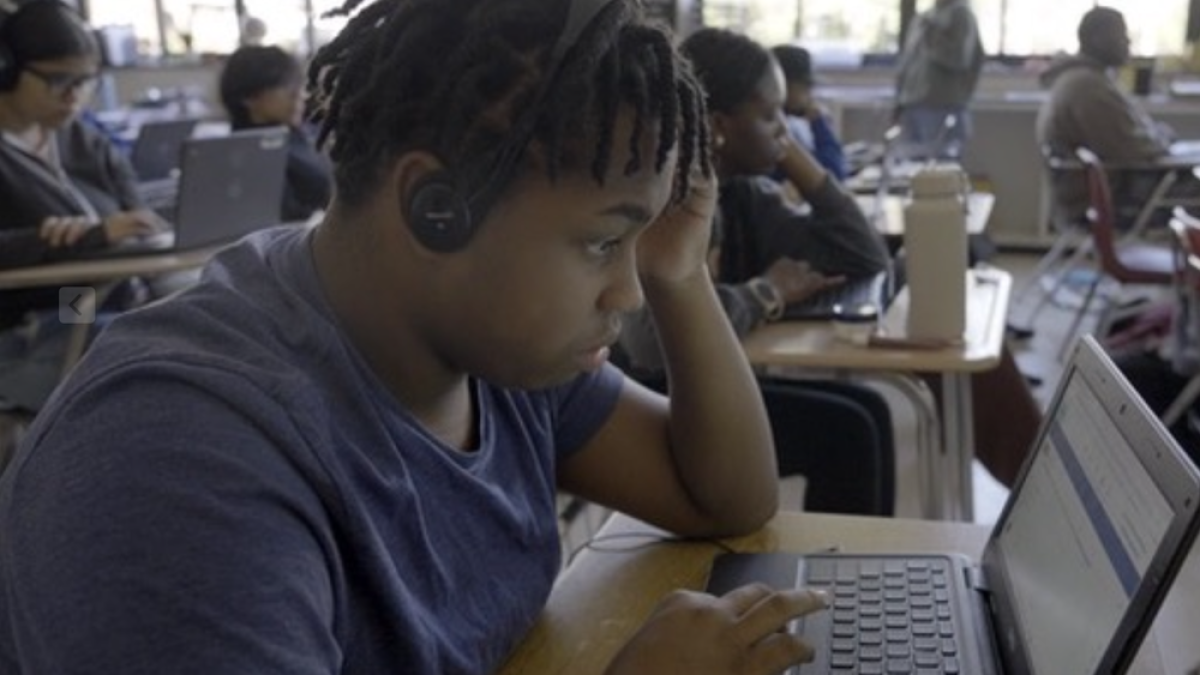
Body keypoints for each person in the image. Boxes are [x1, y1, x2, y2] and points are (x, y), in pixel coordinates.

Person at [0, 1, 831, 673]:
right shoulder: (176, 459)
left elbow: (721, 494)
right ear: (436, 206)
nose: (626, 289)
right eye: (601, 242)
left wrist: (679, 272)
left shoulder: (487, 343)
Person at [682, 27, 1042, 489]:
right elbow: (653, 340)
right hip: (678, 394)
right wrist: (765, 293)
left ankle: (1039, 482)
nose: (784, 130)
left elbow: (865, 256)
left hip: (724, 374)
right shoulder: (678, 206)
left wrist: (791, 154)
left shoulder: (743, 194)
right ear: (718, 125)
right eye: (771, 115)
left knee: (892, 398)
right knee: (856, 422)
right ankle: (1039, 484)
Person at [0, 0, 161, 414]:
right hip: (43, 320)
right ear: (6, 70)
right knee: (156, 354)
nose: (75, 97)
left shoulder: (80, 140)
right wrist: (62, 239)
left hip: (114, 300)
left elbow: (137, 215)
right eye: (58, 80)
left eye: (85, 81)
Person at [1035, 6, 1187, 229]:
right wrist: (1162, 139)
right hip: (1107, 200)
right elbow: (1133, 149)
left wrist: (1157, 136)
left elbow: (1129, 137)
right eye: (1122, 35)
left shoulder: (1087, 79)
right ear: (1098, 39)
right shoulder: (1087, 87)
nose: (1128, 43)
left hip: (1102, 191)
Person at [219, 44, 333, 222]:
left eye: (298, 84)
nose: (299, 94)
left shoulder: (297, 134)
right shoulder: (247, 157)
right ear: (249, 97)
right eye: (286, 86)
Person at [894, 0, 985, 160]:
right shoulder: (924, 17)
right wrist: (899, 100)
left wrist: (932, 35)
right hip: (912, 106)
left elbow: (958, 59)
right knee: (910, 174)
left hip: (942, 109)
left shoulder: (960, 15)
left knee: (939, 175)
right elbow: (908, 63)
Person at [770, 44, 846, 181]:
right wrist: (819, 124)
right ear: (784, 85)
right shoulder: (773, 133)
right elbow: (831, 176)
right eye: (806, 86)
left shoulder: (788, 126)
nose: (811, 94)